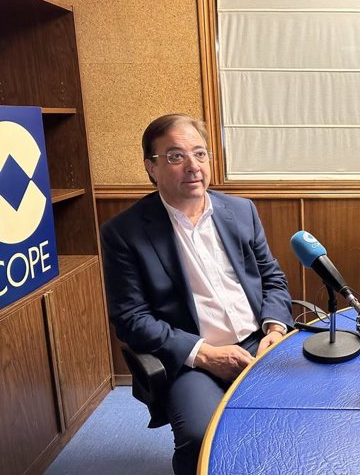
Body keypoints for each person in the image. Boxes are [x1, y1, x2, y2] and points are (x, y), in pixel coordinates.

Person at [101, 114, 293, 475]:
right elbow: (131, 319)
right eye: (175, 156)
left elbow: (272, 277)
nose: (193, 167)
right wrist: (202, 354)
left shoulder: (240, 211)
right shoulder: (124, 232)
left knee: (302, 411)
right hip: (193, 357)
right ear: (151, 168)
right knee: (201, 434)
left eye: (200, 154)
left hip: (258, 343)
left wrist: (275, 330)